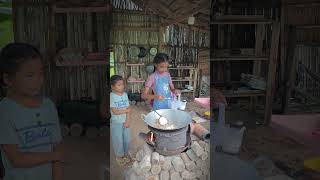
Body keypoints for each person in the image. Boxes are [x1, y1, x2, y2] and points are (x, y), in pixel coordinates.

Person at [0, 43, 64, 180]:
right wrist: (53, 156)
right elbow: (16, 160)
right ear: (7, 79)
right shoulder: (4, 111)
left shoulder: (48, 106)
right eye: (30, 75)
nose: (38, 81)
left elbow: (57, 149)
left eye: (41, 74)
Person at [109, 75, 131, 166]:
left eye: (122, 84)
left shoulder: (125, 95)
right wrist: (126, 110)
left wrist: (128, 120)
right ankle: (119, 157)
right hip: (116, 123)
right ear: (112, 86)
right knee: (118, 140)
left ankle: (125, 154)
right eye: (119, 85)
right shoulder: (112, 96)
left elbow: (129, 108)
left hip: (125, 121)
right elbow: (114, 111)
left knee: (126, 139)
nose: (122, 86)